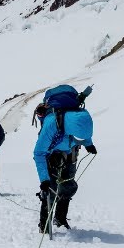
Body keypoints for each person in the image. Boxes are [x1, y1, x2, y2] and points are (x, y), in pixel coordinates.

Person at [32, 85, 96, 232]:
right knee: (50, 188)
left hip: (70, 152)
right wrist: (44, 180)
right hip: (51, 153)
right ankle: (44, 224)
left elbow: (84, 134)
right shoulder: (51, 125)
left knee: (67, 186)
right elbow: (39, 153)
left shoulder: (80, 117)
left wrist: (88, 144)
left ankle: (60, 219)